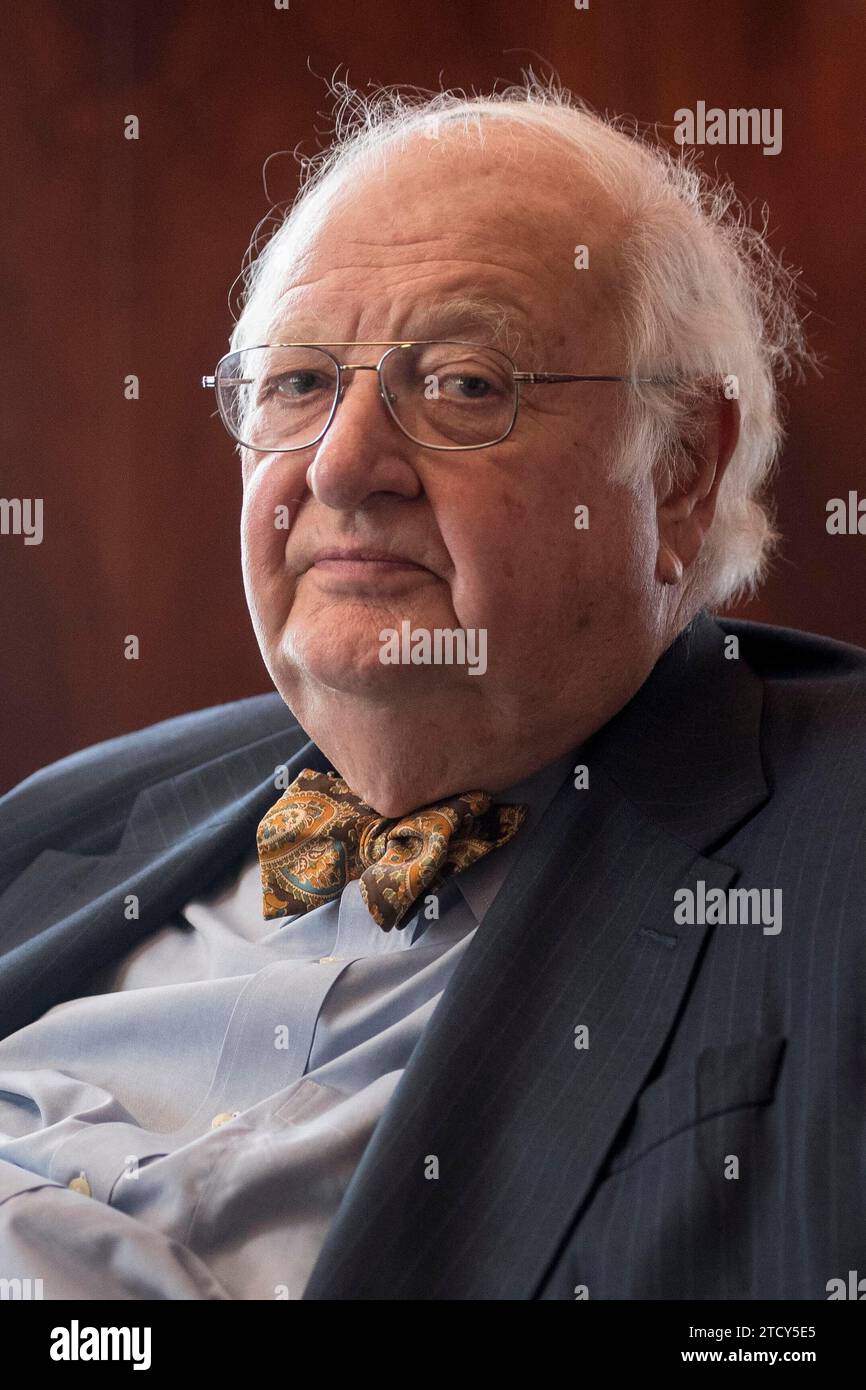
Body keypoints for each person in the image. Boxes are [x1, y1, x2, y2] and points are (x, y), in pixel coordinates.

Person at [1, 78, 863, 1301]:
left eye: (464, 382)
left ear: (674, 472)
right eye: (298, 384)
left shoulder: (838, 855)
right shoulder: (73, 810)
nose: (343, 464)